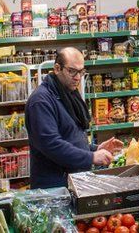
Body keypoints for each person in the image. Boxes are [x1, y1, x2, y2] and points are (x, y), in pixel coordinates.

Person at [25, 47, 123, 188]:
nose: (77, 77)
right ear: (57, 68)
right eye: (72, 71)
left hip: (73, 182)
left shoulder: (68, 95)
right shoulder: (41, 101)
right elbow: (51, 144)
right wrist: (91, 157)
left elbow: (70, 138)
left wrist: (94, 149)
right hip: (54, 189)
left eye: (81, 72)